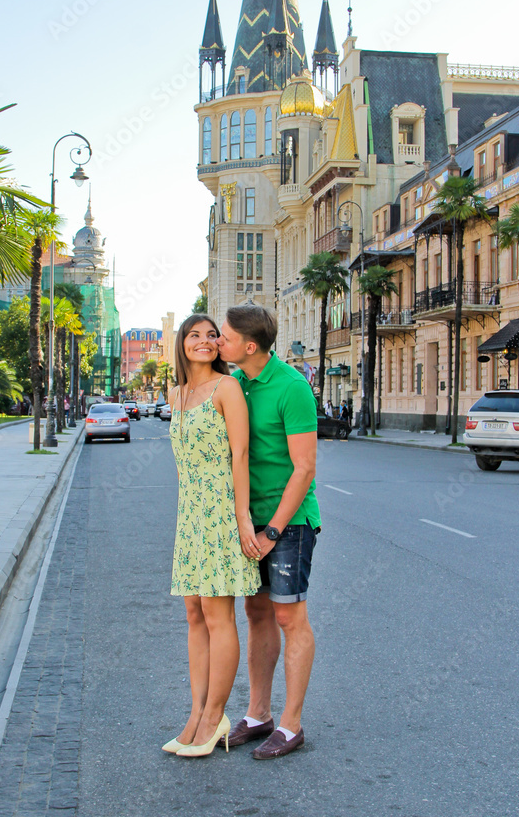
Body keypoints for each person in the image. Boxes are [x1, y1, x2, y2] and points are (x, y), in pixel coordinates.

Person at [217, 303, 320, 760]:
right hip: (248, 521)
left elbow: (304, 469)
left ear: (249, 345)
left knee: (288, 617)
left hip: (288, 521)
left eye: (224, 337)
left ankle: (292, 723)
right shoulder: (236, 383)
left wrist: (274, 530)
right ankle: (259, 715)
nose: (219, 342)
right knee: (256, 614)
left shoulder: (292, 387)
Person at [164, 313, 261, 759]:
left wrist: (242, 518)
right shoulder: (176, 393)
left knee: (218, 614)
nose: (204, 342)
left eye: (210, 336)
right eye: (194, 335)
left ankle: (214, 715)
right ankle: (195, 712)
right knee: (193, 614)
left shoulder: (228, 388)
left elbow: (240, 454)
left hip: (222, 512)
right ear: (182, 344)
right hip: (190, 516)